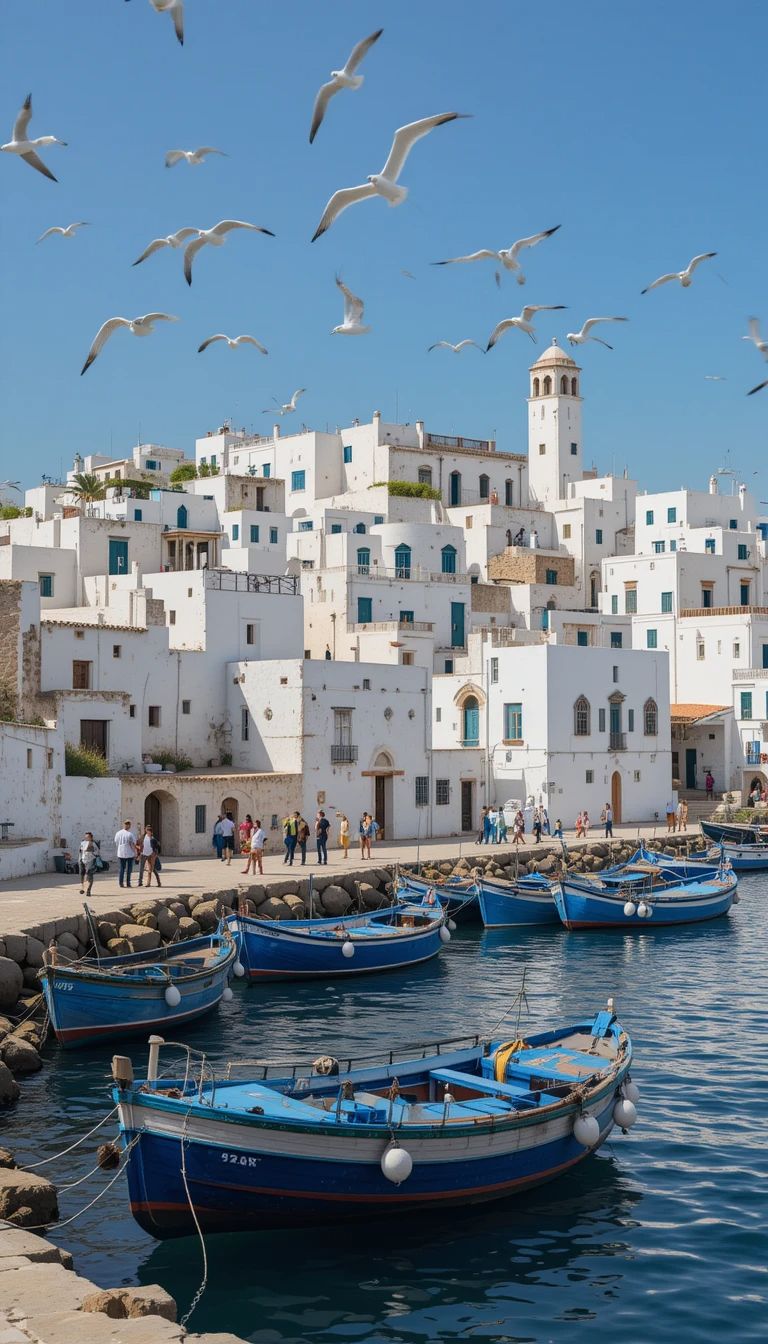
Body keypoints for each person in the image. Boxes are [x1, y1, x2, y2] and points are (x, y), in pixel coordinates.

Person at [114, 820, 138, 889]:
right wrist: (135, 852)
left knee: (122, 868)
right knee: (129, 869)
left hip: (120, 853)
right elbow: (132, 844)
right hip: (129, 853)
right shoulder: (129, 834)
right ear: (128, 825)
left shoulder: (118, 833)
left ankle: (121, 883)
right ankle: (128, 883)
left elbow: (116, 842)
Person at [78, 832, 100, 897]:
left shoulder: (93, 844)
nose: (87, 838)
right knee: (82, 874)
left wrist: (93, 852)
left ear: (91, 837)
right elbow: (80, 852)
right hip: (83, 860)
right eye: (86, 837)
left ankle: (88, 890)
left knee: (89, 875)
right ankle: (83, 888)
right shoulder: (82, 843)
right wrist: (80, 860)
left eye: (88, 837)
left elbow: (97, 852)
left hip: (90, 860)